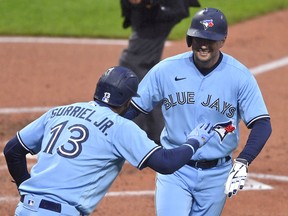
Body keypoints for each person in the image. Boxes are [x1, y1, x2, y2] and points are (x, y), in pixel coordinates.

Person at [3, 66, 215, 216]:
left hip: (26, 210)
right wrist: (194, 141)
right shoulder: (121, 128)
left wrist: (24, 186)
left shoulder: (59, 112)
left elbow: (13, 149)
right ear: (128, 100)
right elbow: (166, 163)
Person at [124, 7, 272, 216]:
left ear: (222, 40)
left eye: (210, 39)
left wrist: (243, 161)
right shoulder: (166, 70)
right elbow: (133, 108)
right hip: (175, 169)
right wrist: (104, 123)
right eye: (198, 37)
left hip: (217, 174)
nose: (203, 44)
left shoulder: (239, 76)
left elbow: (262, 123)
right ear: (190, 38)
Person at [119, 0, 201, 144]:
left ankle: (147, 133)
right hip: (151, 12)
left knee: (133, 63)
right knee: (144, 67)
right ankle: (159, 131)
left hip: (163, 8)